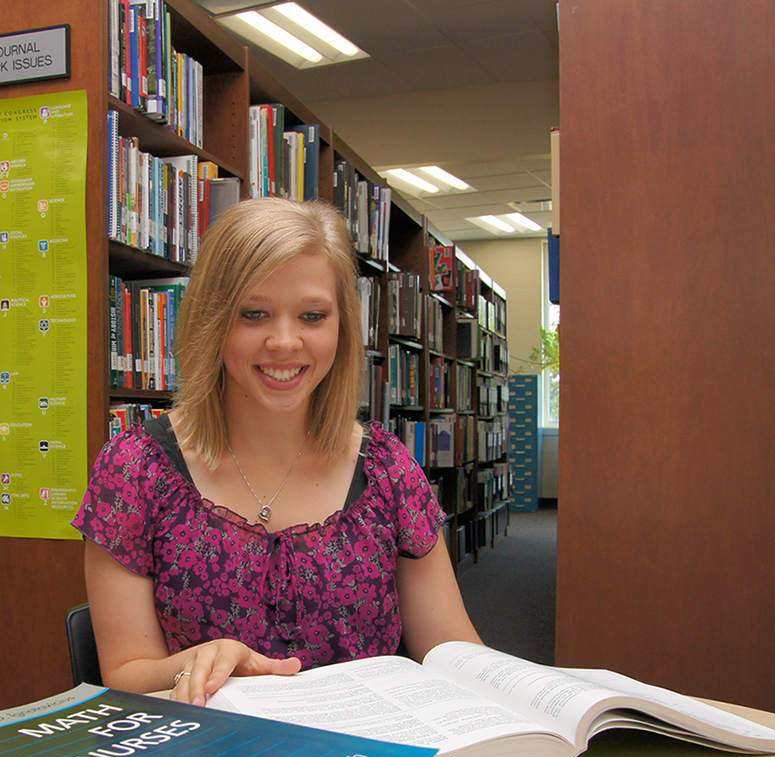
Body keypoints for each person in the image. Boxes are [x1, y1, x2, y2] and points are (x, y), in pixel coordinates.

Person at [73, 197, 482, 706]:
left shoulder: (386, 468)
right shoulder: (136, 468)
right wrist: (197, 662)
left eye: (313, 315)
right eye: (254, 314)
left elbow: (453, 651)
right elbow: (126, 671)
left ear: (341, 326)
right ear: (213, 320)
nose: (285, 342)